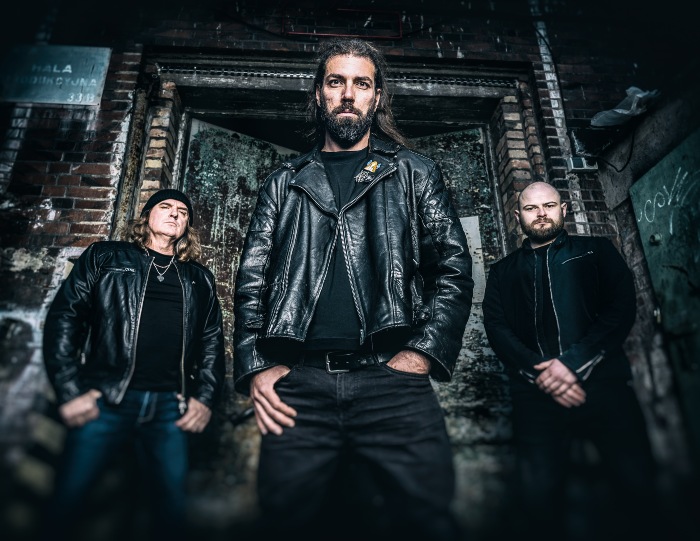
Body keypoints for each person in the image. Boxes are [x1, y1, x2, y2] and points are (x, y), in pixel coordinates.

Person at [232, 38, 474, 541]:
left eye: (361, 83)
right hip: (300, 385)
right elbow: (253, 276)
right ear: (318, 94)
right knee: (286, 521)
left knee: (426, 520)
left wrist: (420, 355)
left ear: (377, 96)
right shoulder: (284, 180)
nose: (348, 94)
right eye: (335, 82)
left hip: (393, 383)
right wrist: (257, 364)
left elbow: (453, 267)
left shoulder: (413, 171)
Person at [41, 188, 225, 541]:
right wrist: (69, 390)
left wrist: (204, 397)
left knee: (170, 510)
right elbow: (65, 318)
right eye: (165, 206)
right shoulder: (106, 256)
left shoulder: (199, 277)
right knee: (68, 500)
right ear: (146, 217)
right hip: (106, 400)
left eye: (183, 211)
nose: (175, 214)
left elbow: (212, 342)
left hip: (170, 408)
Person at [482, 181, 660, 541]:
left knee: (637, 487)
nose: (541, 213)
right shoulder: (502, 272)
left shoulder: (596, 251)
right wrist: (542, 375)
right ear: (517, 216)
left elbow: (620, 309)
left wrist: (570, 365)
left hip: (604, 388)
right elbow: (497, 329)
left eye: (549, 205)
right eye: (531, 208)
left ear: (564, 209)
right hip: (536, 398)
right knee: (539, 501)